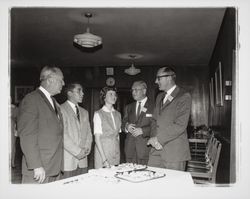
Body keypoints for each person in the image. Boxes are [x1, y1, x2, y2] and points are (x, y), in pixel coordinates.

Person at [17, 65, 65, 183]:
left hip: (53, 166)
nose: (63, 84)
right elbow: (27, 135)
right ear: (50, 80)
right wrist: (36, 165)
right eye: (61, 80)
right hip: (39, 170)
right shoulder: (31, 100)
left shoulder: (53, 101)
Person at [147, 66, 192, 171]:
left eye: (159, 78)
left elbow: (180, 125)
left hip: (174, 153)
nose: (156, 81)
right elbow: (154, 120)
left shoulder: (184, 96)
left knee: (173, 186)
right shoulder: (159, 97)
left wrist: (159, 139)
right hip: (156, 151)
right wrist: (155, 140)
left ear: (169, 78)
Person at [60, 83, 92, 178]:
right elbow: (62, 135)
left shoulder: (84, 112)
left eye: (82, 91)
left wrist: (86, 149)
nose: (82, 94)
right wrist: (78, 151)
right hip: (68, 160)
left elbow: (89, 134)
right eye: (79, 91)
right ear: (70, 93)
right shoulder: (60, 109)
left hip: (83, 160)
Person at [122, 81, 154, 165]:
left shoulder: (154, 106)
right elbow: (123, 122)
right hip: (130, 150)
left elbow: (157, 126)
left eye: (136, 90)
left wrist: (143, 130)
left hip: (145, 150)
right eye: (132, 90)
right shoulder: (128, 107)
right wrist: (126, 126)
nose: (133, 92)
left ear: (144, 91)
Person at [93, 87, 121, 169]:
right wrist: (104, 160)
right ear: (104, 97)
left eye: (115, 94)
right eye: (111, 94)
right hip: (103, 153)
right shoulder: (98, 114)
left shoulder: (118, 114)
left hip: (115, 153)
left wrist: (117, 153)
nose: (114, 96)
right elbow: (97, 139)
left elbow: (117, 136)